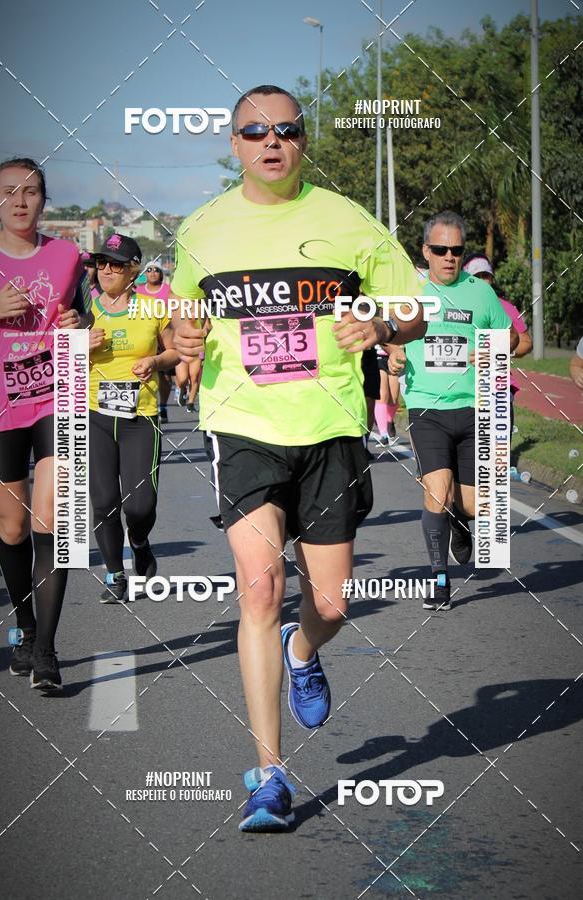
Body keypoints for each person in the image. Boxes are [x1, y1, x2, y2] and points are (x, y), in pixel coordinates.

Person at [171, 84, 425, 831]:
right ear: (234, 143)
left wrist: (380, 323)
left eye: (286, 129)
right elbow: (183, 312)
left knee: (332, 602)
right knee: (258, 585)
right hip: (242, 422)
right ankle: (268, 776)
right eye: (255, 132)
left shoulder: (347, 220)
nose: (271, 142)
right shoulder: (204, 228)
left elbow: (413, 307)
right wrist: (182, 339)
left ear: (303, 140)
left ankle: (303, 648)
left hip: (330, 426)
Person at [0, 156, 92, 690]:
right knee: (12, 526)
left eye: (31, 192)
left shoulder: (67, 255)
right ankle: (25, 627)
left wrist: (79, 321)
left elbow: (84, 314)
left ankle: (46, 650)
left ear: (44, 200)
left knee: (56, 523)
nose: (20, 201)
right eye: (9, 192)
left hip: (58, 394)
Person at [388, 212, 519, 610]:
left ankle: (460, 523)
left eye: (457, 250)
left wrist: (496, 347)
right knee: (436, 491)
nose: (449, 257)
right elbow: (388, 332)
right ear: (426, 250)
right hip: (428, 407)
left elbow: (512, 335)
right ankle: (439, 578)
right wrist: (394, 353)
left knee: (476, 505)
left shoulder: (480, 293)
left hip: (474, 406)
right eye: (441, 249)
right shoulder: (409, 290)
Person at [88, 235, 178, 603]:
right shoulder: (82, 310)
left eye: (117, 264)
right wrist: (79, 344)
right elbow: (54, 356)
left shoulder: (152, 309)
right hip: (92, 413)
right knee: (104, 500)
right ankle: (114, 574)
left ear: (133, 270)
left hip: (140, 416)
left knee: (140, 505)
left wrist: (155, 361)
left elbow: (176, 352)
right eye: (102, 263)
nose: (107, 269)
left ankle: (139, 540)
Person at [462, 253, 532, 453]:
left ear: (492, 278)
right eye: (477, 276)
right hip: (463, 387)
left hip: (498, 385)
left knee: (497, 453)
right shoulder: (456, 303)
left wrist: (499, 350)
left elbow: (526, 342)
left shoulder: (505, 307)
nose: (483, 280)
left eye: (486, 275)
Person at [136, 263, 173, 423]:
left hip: (164, 334)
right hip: (145, 336)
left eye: (156, 270)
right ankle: (144, 406)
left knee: (165, 377)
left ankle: (163, 405)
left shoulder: (168, 290)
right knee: (145, 371)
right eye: (149, 270)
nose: (152, 273)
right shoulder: (138, 291)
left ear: (161, 274)